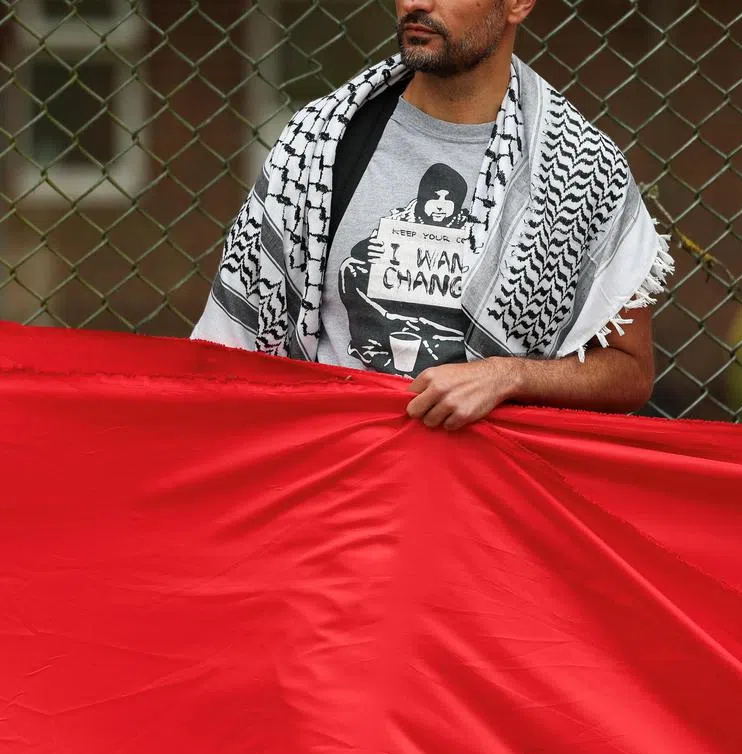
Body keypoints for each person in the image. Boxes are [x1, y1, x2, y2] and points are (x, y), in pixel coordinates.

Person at [192, 0, 673, 431]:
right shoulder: (321, 145)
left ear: (517, 5)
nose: (415, 4)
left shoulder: (578, 170)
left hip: (485, 486)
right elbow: (227, 350)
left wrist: (509, 375)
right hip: (333, 476)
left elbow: (629, 372)